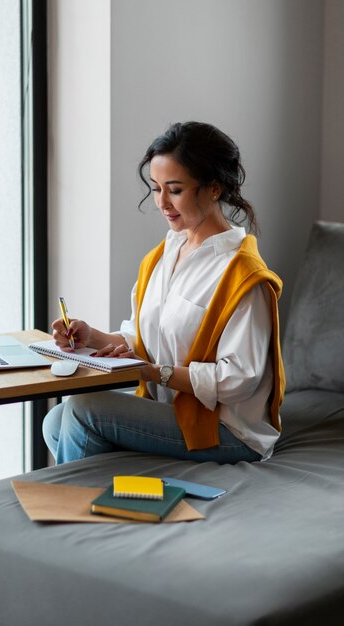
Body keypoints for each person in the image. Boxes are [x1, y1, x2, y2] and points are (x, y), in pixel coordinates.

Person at [43, 121, 285, 465]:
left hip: (226, 428)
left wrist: (153, 372)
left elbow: (239, 380)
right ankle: (108, 502)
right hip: (168, 410)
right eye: (156, 188)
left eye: (175, 189)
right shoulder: (164, 254)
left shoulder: (244, 276)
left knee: (84, 410)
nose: (162, 202)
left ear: (214, 188)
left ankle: (77, 511)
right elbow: (144, 339)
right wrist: (90, 337)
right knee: (56, 419)